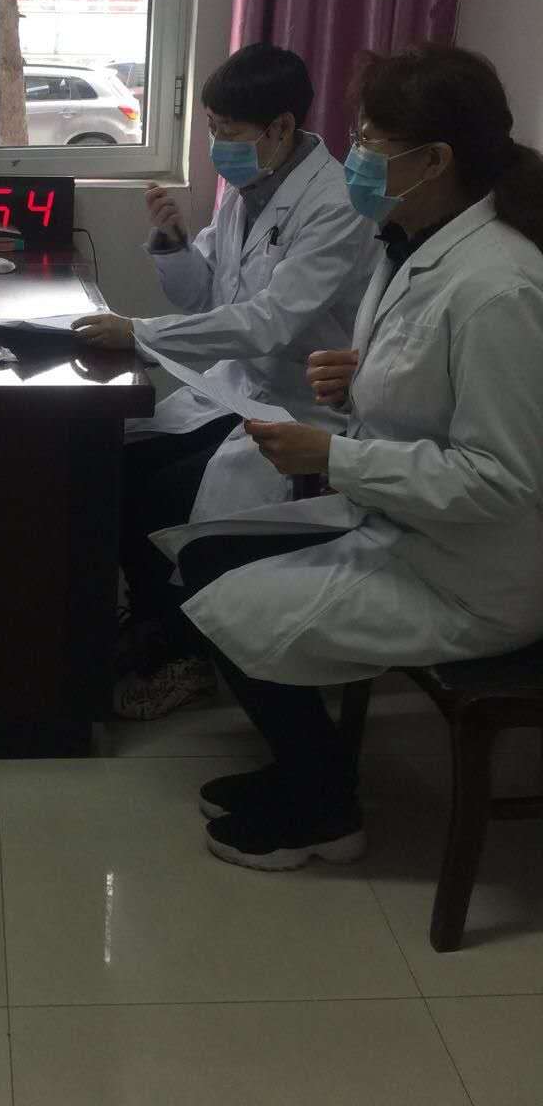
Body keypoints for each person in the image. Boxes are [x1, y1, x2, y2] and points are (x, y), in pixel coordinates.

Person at [150, 43, 543, 871]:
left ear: (434, 159)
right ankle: (305, 769)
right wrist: (360, 376)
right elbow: (434, 382)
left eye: (369, 141)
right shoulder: (417, 241)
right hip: (403, 519)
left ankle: (324, 809)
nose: (353, 157)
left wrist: (333, 457)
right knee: (207, 557)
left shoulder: (500, 287)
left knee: (232, 602)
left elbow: (503, 479)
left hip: (471, 571)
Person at [73, 44, 381, 720]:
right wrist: (172, 242)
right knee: (120, 466)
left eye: (227, 131)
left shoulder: (333, 204)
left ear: (280, 127)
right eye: (211, 127)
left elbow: (269, 322)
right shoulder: (253, 189)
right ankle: (154, 626)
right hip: (235, 389)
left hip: (302, 404)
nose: (217, 145)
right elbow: (202, 296)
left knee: (168, 494)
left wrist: (138, 333)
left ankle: (187, 654)